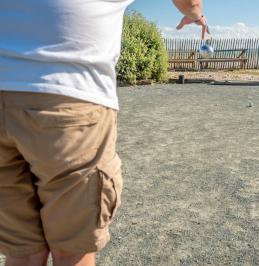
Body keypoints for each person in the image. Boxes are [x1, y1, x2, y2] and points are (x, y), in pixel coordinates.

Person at [0, 0, 207, 265]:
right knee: (72, 249)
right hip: (68, 95)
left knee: (23, 252)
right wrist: (197, 16)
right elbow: (190, 2)